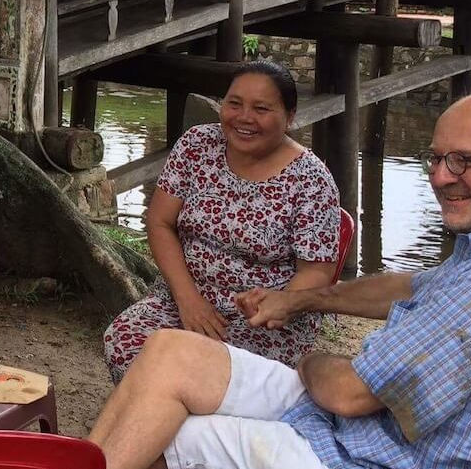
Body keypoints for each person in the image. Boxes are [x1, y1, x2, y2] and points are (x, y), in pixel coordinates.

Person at [38, 91, 471, 469]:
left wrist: (306, 362)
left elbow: (346, 392)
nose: (438, 177)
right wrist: (306, 300)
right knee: (165, 352)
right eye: (435, 159)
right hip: (378, 442)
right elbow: (410, 286)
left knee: (149, 442)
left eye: (463, 162)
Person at [102, 61, 340, 381]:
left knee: (207, 375)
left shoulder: (311, 180)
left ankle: (184, 427)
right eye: (234, 103)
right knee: (125, 345)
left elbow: (317, 270)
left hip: (263, 320)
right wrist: (188, 300)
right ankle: (163, 425)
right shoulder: (197, 145)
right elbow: (160, 222)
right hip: (186, 296)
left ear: (290, 116)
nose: (244, 117)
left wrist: (277, 305)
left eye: (261, 108)